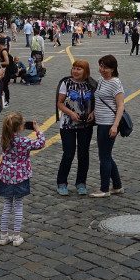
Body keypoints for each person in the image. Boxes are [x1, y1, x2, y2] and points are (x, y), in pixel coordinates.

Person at [0, 112, 45, 246]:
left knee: (7, 205)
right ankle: (16, 236)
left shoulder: (3, 138)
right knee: (18, 205)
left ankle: (3, 235)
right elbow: (41, 143)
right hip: (20, 176)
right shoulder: (24, 142)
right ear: (20, 127)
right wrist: (38, 130)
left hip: (6, 175)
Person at [56, 60, 96, 195]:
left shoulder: (91, 84)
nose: (75, 71)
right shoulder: (65, 83)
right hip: (68, 124)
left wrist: (93, 113)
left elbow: (97, 102)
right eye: (74, 68)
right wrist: (71, 113)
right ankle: (62, 182)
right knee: (68, 153)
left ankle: (81, 182)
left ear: (86, 71)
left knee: (84, 154)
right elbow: (60, 103)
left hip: (86, 124)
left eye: (79, 69)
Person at [90, 55, 125, 197]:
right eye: (101, 66)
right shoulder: (101, 81)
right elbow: (98, 99)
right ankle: (117, 186)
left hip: (109, 123)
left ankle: (104, 189)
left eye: (106, 67)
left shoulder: (115, 83)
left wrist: (115, 126)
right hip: (100, 121)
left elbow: (121, 105)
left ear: (113, 69)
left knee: (104, 156)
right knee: (106, 156)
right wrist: (93, 112)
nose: (102, 70)